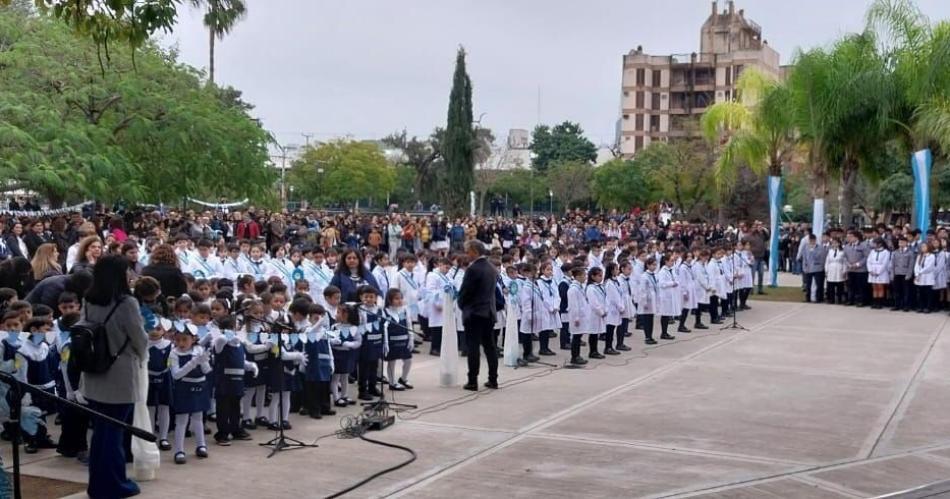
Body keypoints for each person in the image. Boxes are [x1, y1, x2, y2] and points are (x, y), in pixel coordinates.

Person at [78, 254, 146, 499]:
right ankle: (113, 484)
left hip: (95, 372)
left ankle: (99, 482)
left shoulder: (90, 299)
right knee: (113, 434)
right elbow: (139, 337)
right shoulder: (126, 302)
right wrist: (143, 354)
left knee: (101, 433)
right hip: (120, 373)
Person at [457, 240, 499, 391]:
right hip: (488, 311)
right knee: (490, 347)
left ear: (474, 251)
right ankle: (493, 379)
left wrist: (462, 305)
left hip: (474, 312)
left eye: (468, 251)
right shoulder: (492, 268)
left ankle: (472, 380)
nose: (466, 254)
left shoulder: (473, 269)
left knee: (473, 347)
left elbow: (465, 292)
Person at [169, 322, 211, 464]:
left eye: (184, 339)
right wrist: (193, 363)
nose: (181, 343)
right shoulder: (173, 353)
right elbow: (176, 375)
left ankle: (201, 445)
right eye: (178, 339)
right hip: (183, 388)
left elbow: (206, 371)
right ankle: (179, 450)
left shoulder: (199, 350)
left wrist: (205, 361)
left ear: (193, 339)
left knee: (198, 417)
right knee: (181, 420)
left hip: (200, 386)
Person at [867, 238, 892, 309]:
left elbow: (885, 263)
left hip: (881, 271)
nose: (873, 245)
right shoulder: (872, 251)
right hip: (872, 269)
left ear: (880, 244)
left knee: (880, 287)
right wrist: (870, 270)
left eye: (875, 243)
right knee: (874, 287)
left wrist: (878, 272)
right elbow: (868, 261)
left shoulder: (886, 252)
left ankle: (880, 302)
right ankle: (874, 301)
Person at [801, 235, 827, 303]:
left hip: (817, 268)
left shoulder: (820, 248)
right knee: (808, 284)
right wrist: (804, 267)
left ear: (815, 240)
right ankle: (808, 298)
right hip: (808, 268)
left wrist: (812, 251)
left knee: (819, 284)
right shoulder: (806, 247)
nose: (811, 242)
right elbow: (804, 258)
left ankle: (819, 298)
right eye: (810, 240)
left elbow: (819, 257)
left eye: (813, 240)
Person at [824, 238, 848, 305]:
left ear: (839, 243)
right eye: (833, 243)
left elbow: (844, 262)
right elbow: (827, 261)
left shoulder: (842, 252)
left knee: (839, 285)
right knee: (831, 285)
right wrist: (826, 270)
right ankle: (831, 299)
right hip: (831, 269)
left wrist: (844, 270)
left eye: (836, 243)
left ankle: (839, 299)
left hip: (839, 269)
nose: (834, 244)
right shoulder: (830, 251)